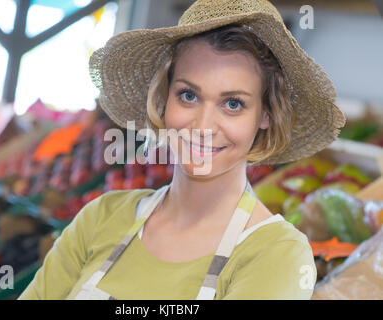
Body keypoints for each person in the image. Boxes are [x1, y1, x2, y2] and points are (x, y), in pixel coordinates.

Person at [18, 0, 346, 300]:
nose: (203, 125)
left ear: (265, 115)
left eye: (233, 104)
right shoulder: (101, 217)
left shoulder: (276, 253)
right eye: (188, 95)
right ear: (164, 98)